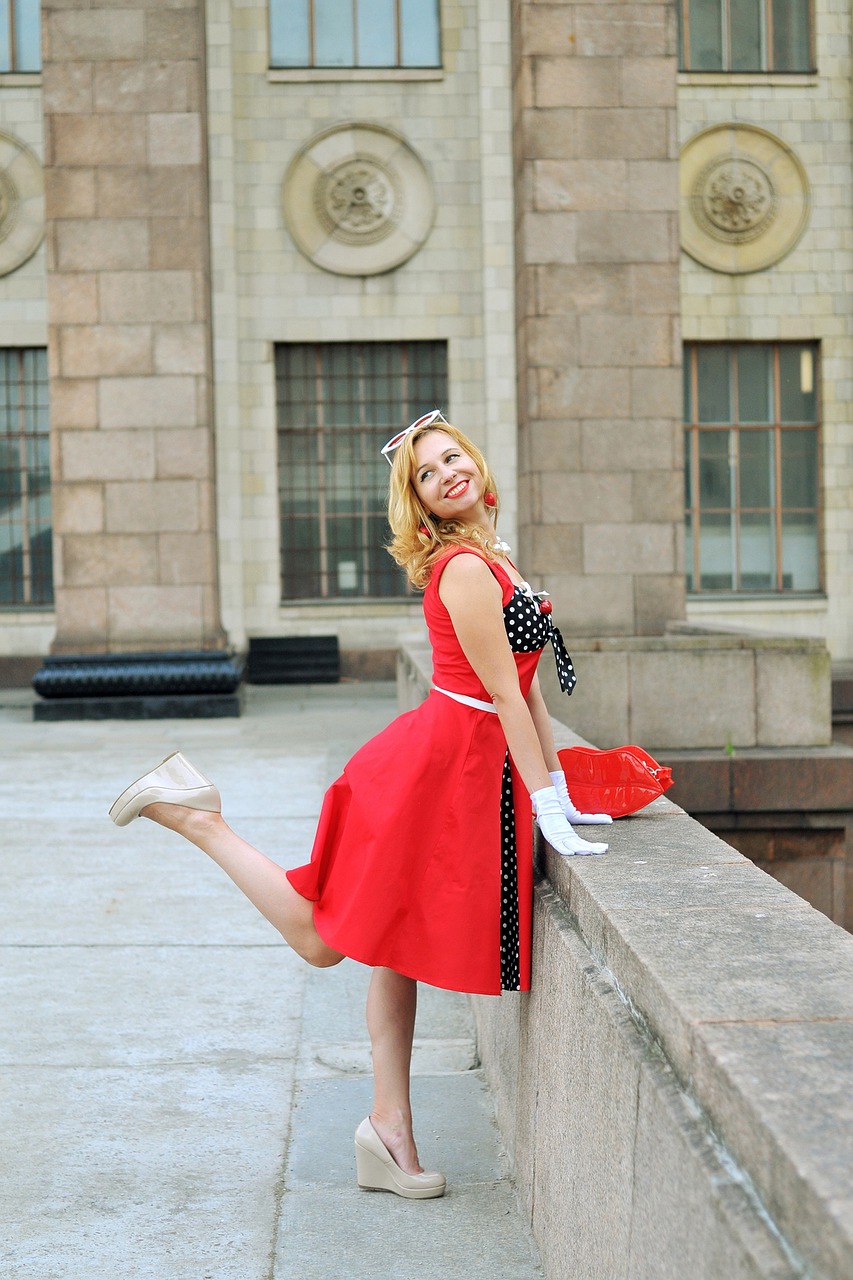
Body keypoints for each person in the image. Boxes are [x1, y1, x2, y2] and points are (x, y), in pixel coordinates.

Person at [109, 410, 610, 1202]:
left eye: (452, 457)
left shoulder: (493, 556)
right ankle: (196, 816)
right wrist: (546, 805)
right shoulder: (463, 569)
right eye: (426, 474)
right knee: (322, 942)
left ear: (476, 462)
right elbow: (503, 700)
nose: (446, 473)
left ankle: (387, 1129)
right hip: (432, 773)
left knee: (394, 949)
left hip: (458, 771)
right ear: (419, 502)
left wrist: (561, 795)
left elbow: (531, 691)